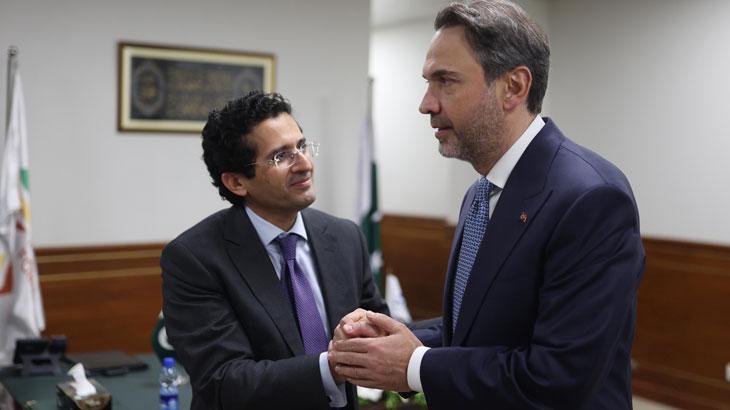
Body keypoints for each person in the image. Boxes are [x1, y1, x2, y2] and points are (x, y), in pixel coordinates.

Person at [329, 1, 645, 409]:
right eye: (428, 83)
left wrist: (413, 366)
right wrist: (393, 340)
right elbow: (474, 328)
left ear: (513, 87)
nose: (426, 104)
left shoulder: (591, 198)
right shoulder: (481, 194)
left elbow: (558, 377)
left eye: (445, 81)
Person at [161, 91, 389, 410]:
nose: (305, 164)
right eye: (281, 156)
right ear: (237, 183)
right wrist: (332, 366)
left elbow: (381, 329)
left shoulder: (345, 237)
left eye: (302, 146)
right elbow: (224, 381)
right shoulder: (195, 258)